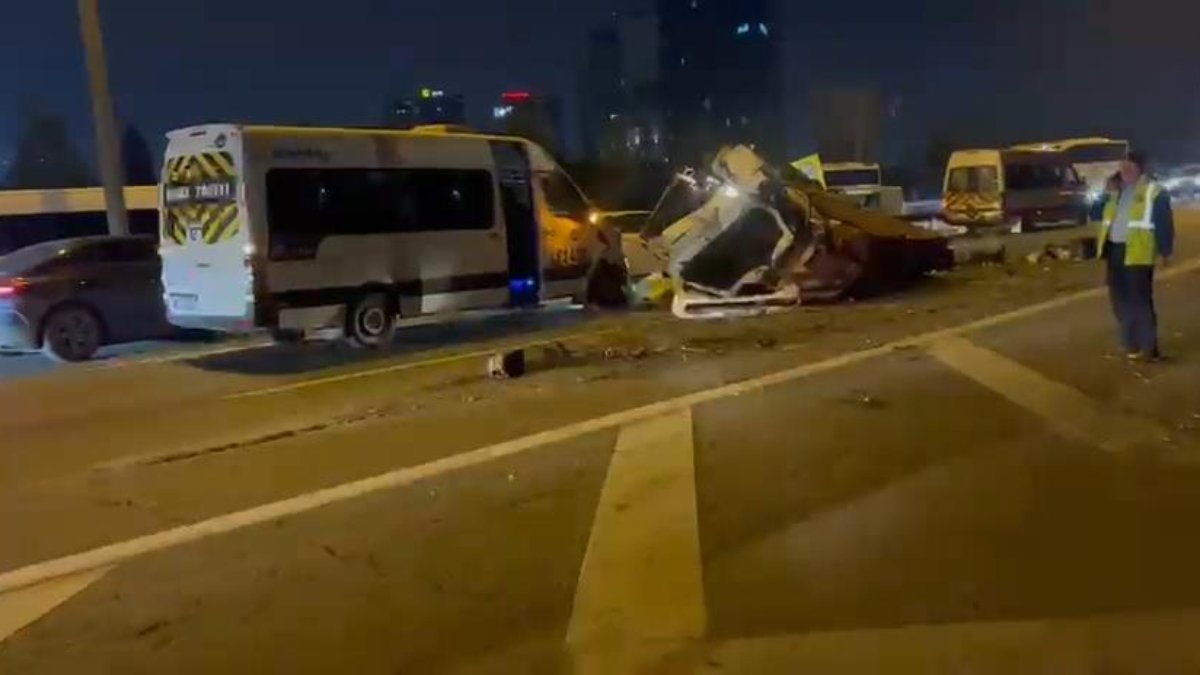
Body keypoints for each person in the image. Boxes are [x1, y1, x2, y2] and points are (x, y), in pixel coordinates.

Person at [1093, 151, 1174, 361]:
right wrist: (1105, 193)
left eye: (1129, 167)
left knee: (1140, 302)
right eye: (1122, 168)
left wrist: (1166, 251)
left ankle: (1149, 348)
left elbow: (1164, 223)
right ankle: (1130, 344)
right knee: (1120, 301)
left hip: (1139, 253)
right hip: (1115, 251)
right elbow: (1094, 213)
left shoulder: (1153, 192)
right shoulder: (1115, 192)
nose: (1124, 171)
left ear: (1140, 169)